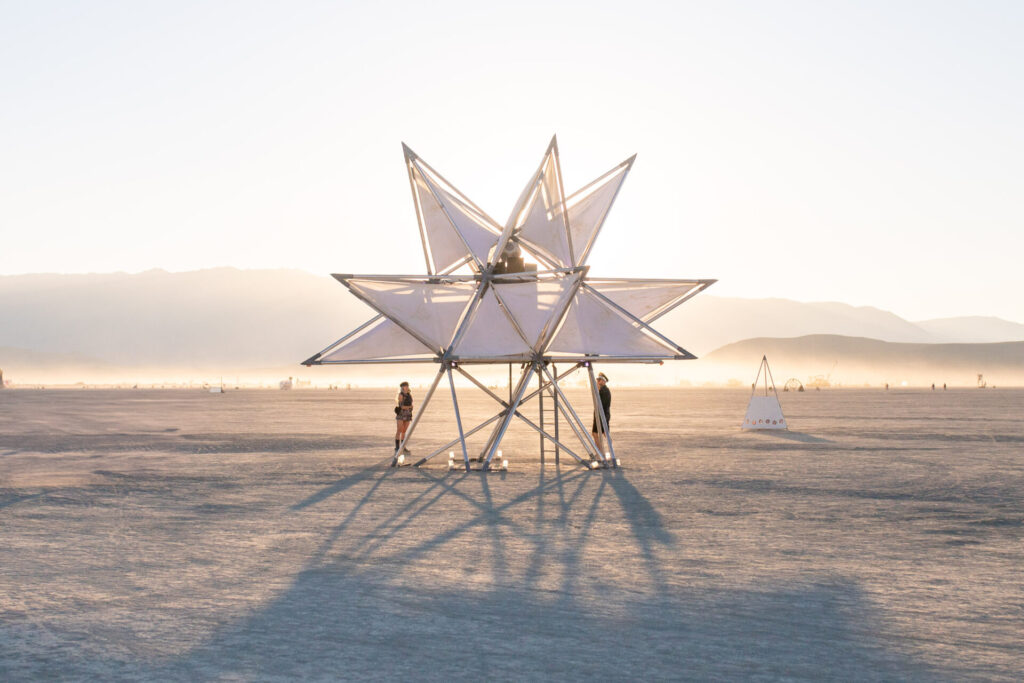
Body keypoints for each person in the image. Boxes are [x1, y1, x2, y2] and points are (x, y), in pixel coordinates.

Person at [592, 372, 611, 455]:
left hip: (602, 415)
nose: (598, 382)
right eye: (598, 380)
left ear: (604, 381)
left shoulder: (604, 390)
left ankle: (601, 452)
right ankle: (600, 452)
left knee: (602, 433)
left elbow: (603, 405)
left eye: (600, 380)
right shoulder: (602, 390)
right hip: (600, 414)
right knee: (597, 433)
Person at [394, 381, 413, 455]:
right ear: (402, 387)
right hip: (401, 414)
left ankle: (403, 447)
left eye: (407, 386)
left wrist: (411, 408)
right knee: (399, 430)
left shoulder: (409, 395)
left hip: (408, 414)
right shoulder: (400, 395)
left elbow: (411, 404)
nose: (407, 387)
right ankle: (397, 447)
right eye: (405, 386)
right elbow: (401, 406)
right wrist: (409, 407)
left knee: (404, 431)